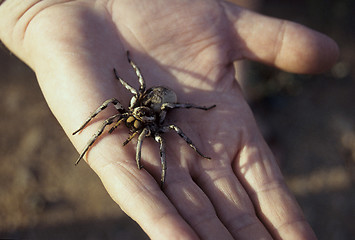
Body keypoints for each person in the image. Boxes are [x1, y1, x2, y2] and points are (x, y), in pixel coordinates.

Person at [0, 0, 338, 239]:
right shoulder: (130, 107)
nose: (130, 126)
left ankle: (231, 99)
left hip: (165, 103)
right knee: (117, 107)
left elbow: (171, 121)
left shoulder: (154, 124)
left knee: (172, 128)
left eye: (134, 124)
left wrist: (165, 160)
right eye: (130, 120)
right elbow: (128, 83)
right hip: (147, 99)